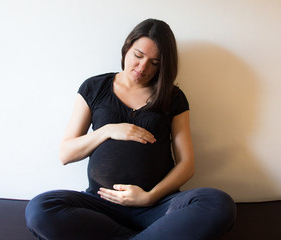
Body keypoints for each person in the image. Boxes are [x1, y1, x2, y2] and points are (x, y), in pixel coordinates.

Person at [25, 19, 236, 240]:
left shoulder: (173, 98)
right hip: (101, 205)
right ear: (127, 48)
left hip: (157, 207)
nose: (143, 67)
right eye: (138, 55)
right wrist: (107, 130)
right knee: (40, 208)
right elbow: (65, 154)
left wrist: (150, 197)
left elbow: (187, 165)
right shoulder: (94, 88)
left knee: (218, 203)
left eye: (155, 62)